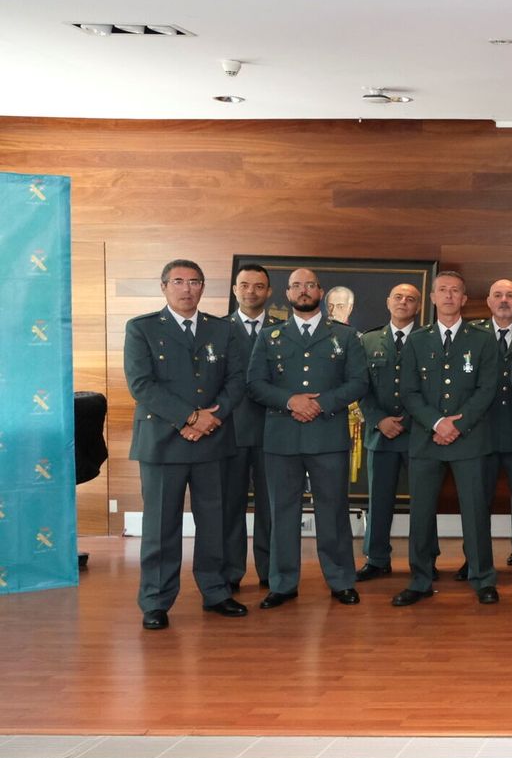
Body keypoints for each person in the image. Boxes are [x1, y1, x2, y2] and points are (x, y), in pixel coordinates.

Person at [125, 259, 248, 629]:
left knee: (215, 522)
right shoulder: (142, 328)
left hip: (213, 439)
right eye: (178, 281)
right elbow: (141, 385)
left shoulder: (222, 329)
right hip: (163, 442)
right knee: (161, 526)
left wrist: (212, 417)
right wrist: (190, 418)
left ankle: (216, 591)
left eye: (194, 281)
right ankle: (156, 601)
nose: (186, 288)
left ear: (203, 287)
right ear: (164, 287)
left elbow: (237, 380)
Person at [246, 267, 366, 610]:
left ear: (321, 292)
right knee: (282, 512)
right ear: (287, 293)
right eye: (296, 285)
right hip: (282, 438)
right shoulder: (269, 337)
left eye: (309, 285)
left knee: (333, 511)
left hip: (327, 435)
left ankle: (341, 580)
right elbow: (254, 383)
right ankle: (283, 583)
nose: (303, 290)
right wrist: (291, 401)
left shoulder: (345, 336)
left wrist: (321, 404)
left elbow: (358, 382)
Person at [392, 272, 502, 606]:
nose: (449, 296)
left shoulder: (482, 340)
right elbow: (409, 391)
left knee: (475, 512)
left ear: (465, 299)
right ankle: (420, 579)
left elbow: (487, 388)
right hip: (427, 439)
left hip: (470, 439)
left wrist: (458, 424)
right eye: (443, 290)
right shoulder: (418, 339)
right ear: (434, 298)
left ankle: (482, 578)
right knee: (421, 513)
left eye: (456, 291)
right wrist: (437, 423)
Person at [354, 283, 421, 582]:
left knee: (423, 500)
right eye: (398, 297)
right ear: (387, 302)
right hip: (380, 434)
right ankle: (377, 558)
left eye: (410, 299)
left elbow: (431, 390)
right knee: (379, 500)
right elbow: (360, 387)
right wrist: (379, 420)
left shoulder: (428, 339)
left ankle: (424, 559)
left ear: (418, 307)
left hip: (417, 434)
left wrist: (406, 420)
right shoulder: (368, 341)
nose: (404, 302)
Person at [223, 263, 281, 590]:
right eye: (244, 285)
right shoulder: (217, 329)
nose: (251, 292)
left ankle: (271, 572)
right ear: (235, 289)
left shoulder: (283, 330)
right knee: (230, 507)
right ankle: (231, 573)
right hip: (229, 431)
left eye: (258, 286)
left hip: (273, 431)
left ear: (269, 292)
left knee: (270, 509)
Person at [472, 279, 512, 569]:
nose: (504, 300)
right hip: (481, 431)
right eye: (498, 295)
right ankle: (475, 557)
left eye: (510, 295)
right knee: (477, 501)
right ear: (488, 301)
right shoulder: (474, 334)